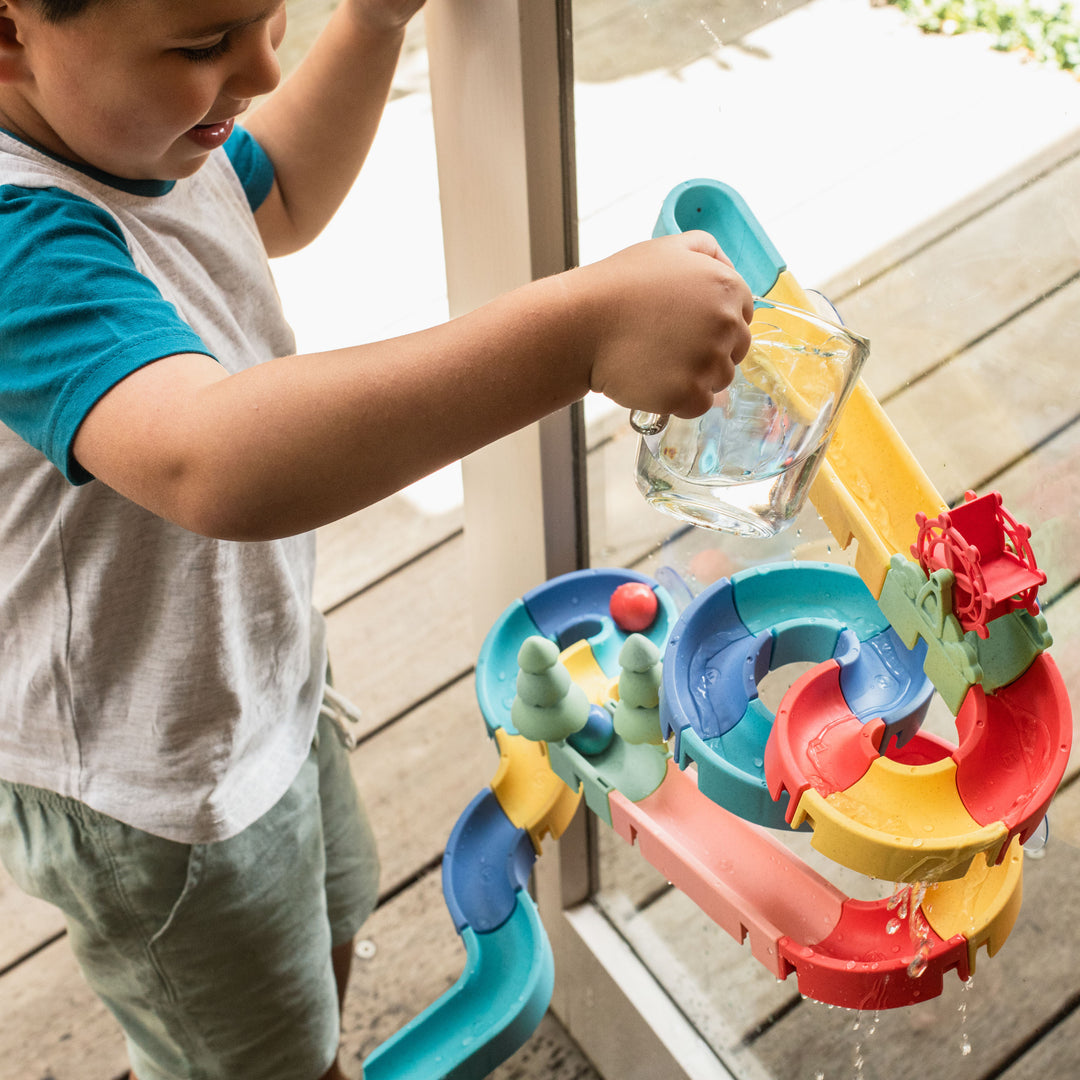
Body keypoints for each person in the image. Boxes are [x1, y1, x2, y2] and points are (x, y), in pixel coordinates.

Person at [0, 0, 754, 1077]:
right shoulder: (18, 241)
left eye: (272, 17)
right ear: (10, 33)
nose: (261, 67)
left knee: (322, 924)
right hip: (150, 784)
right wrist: (574, 336)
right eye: (205, 43)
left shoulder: (137, 126)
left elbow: (286, 191)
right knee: (245, 1048)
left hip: (256, 678)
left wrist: (369, 27)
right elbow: (213, 460)